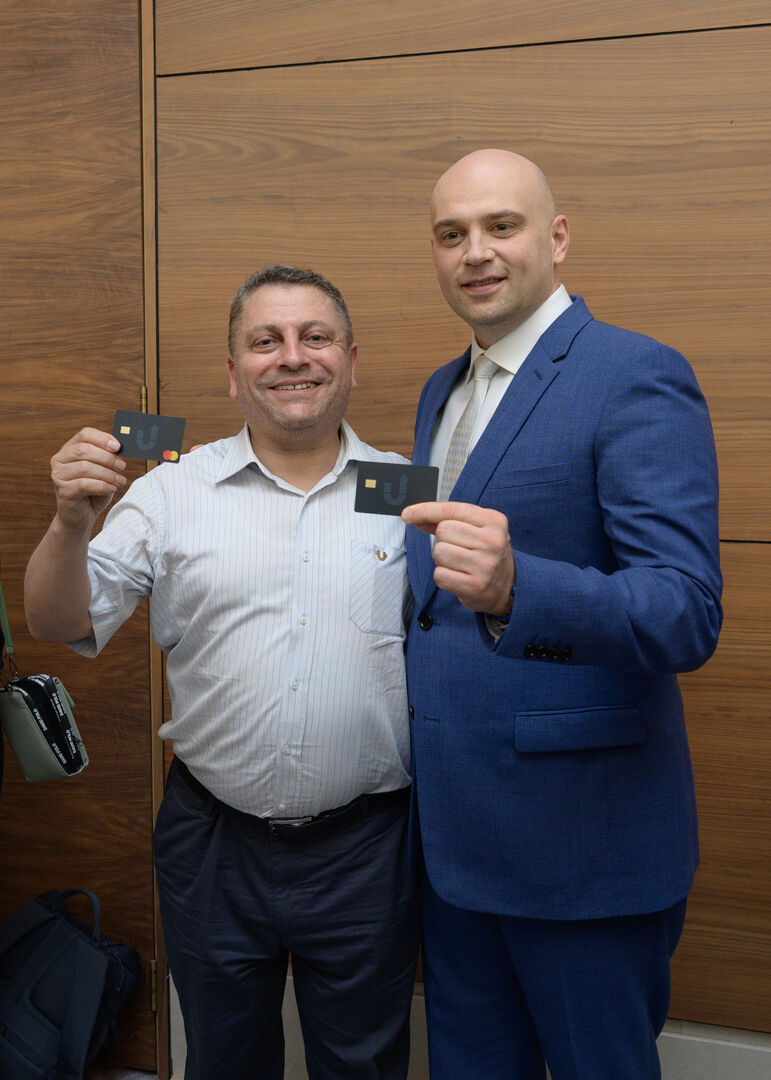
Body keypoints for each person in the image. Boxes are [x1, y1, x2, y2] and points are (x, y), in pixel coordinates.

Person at [24, 265, 419, 1080]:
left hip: (368, 851)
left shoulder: (406, 493)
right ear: (234, 373)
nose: (292, 356)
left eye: (315, 337)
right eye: (265, 341)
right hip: (212, 844)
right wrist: (69, 524)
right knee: (223, 1058)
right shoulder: (172, 490)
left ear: (350, 361)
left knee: (366, 1062)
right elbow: (59, 624)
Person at [401, 149, 722, 1080]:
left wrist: (518, 590)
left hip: (582, 850)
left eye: (499, 226)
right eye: (451, 234)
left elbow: (684, 610)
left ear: (557, 237)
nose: (474, 252)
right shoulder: (439, 390)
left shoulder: (634, 373)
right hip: (454, 846)